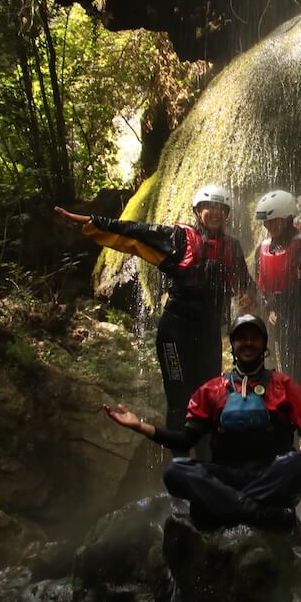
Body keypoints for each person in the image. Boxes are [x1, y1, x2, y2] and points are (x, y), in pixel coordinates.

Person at [104, 313, 301, 538]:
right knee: (175, 471)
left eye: (254, 338)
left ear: (264, 346)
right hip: (227, 478)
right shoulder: (211, 390)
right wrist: (139, 426)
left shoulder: (283, 385)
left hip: (269, 474)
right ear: (232, 344)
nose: (247, 343)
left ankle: (228, 510)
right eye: (240, 338)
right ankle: (256, 512)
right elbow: (184, 441)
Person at [54, 184, 252, 431]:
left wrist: (247, 296)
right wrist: (93, 220)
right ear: (197, 210)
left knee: (210, 401)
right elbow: (136, 231)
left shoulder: (232, 248)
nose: (215, 212)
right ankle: (179, 462)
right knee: (180, 401)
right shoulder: (178, 238)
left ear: (226, 213)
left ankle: (206, 462)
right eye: (208, 207)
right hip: (175, 333)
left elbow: (246, 285)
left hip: (208, 333)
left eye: (220, 208)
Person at [252, 189, 301, 378]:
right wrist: (269, 309)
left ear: (289, 217)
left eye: (276, 220)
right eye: (268, 221)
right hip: (283, 317)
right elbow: (262, 287)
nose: (271, 225)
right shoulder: (263, 248)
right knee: (291, 370)